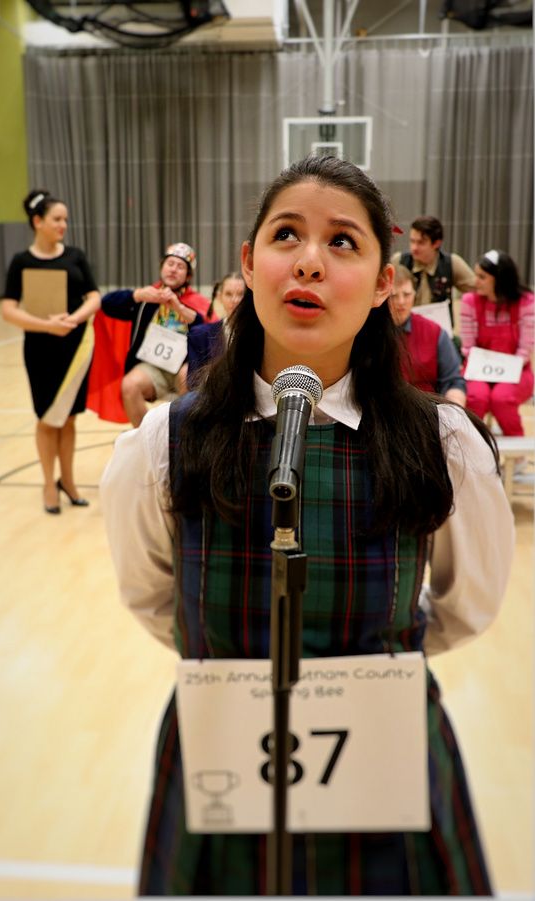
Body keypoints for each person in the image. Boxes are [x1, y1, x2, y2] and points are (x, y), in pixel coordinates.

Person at [100, 156, 514, 895]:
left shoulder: (442, 443)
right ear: (249, 263)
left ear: (387, 283)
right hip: (221, 761)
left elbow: (463, 607)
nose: (310, 263)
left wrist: (368, 665)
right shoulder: (166, 440)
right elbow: (154, 598)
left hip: (390, 769)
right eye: (287, 234)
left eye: (344, 242)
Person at [1, 189, 101, 514]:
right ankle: (48, 484)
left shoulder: (75, 256)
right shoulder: (21, 261)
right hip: (40, 349)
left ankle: (68, 481)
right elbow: (9, 310)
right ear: (38, 221)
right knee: (47, 419)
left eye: (65, 220)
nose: (63, 225)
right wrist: (46, 326)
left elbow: (94, 298)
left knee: (69, 419)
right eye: (57, 219)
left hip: (75, 347)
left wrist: (73, 319)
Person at [101, 243, 212, 425]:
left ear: (188, 276)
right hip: (152, 366)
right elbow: (107, 304)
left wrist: (179, 307)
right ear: (162, 267)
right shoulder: (147, 297)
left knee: (189, 377)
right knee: (129, 386)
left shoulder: (197, 302)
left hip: (182, 367)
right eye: (170, 264)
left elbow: (204, 331)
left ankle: (181, 437)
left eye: (180, 266)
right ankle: (147, 437)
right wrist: (136, 295)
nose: (174, 270)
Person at [460, 249, 534, 435]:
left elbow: (524, 351)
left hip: (516, 370)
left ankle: (516, 455)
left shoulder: (526, 303)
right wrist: (485, 366)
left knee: (502, 398)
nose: (475, 281)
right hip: (478, 369)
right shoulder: (469, 302)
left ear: (499, 279)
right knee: (476, 397)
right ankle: (470, 449)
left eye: (482, 277)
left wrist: (503, 369)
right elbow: (468, 347)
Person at [389, 264, 466, 406]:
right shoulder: (366, 332)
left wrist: (455, 408)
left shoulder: (435, 332)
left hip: (427, 413)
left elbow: (453, 381)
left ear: (414, 294)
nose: (401, 302)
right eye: (393, 296)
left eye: (406, 294)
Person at [392, 215, 475, 324]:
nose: (414, 248)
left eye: (421, 242)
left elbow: (478, 289)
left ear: (436, 243)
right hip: (404, 330)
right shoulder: (399, 260)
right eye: (412, 241)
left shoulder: (451, 263)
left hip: (439, 332)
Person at [186, 271, 246, 387]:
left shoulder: (261, 335)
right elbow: (193, 382)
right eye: (229, 294)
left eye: (241, 294)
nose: (235, 300)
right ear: (220, 297)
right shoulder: (200, 335)